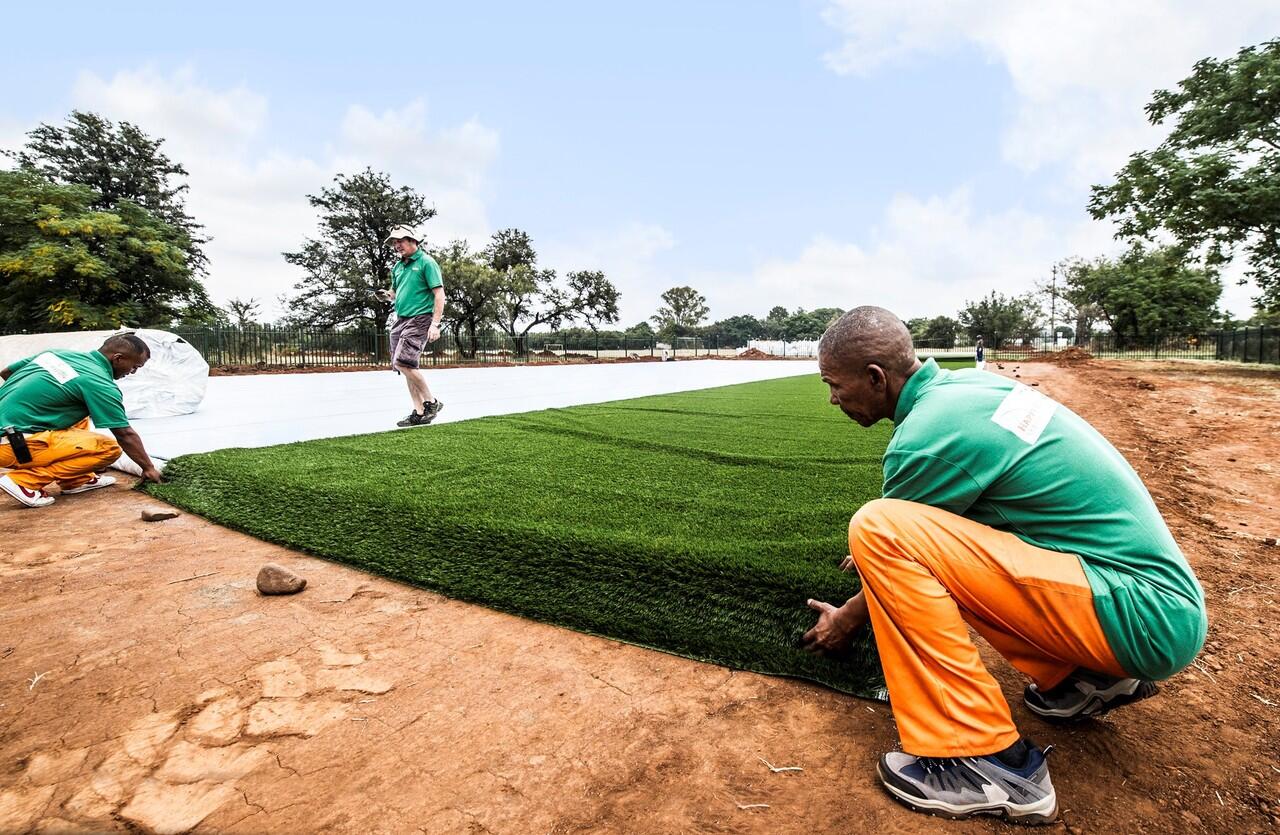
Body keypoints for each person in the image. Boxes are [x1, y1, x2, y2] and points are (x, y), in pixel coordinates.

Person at [801, 306, 1206, 824]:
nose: (833, 399)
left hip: (1139, 616)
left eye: (834, 384)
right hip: (1151, 602)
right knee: (898, 537)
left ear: (876, 378)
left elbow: (896, 543)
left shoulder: (925, 435)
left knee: (878, 528)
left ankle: (983, 758)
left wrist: (845, 619)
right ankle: (1081, 677)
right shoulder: (971, 389)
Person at [0, 333, 164, 508]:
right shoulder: (99, 383)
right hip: (13, 445)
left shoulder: (55, 354)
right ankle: (25, 482)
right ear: (118, 358)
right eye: (134, 367)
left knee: (79, 414)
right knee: (108, 449)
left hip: (9, 430)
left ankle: (77, 480)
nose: (132, 372)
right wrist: (148, 467)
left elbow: (6, 372)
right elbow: (125, 434)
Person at [381, 225, 446, 427]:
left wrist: (435, 324)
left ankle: (432, 402)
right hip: (401, 319)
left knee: (402, 361)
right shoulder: (398, 267)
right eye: (394, 242)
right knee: (405, 365)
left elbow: (439, 294)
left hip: (421, 318)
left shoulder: (427, 263)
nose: (396, 245)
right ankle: (419, 412)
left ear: (413, 240)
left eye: (400, 241)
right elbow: (395, 292)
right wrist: (387, 295)